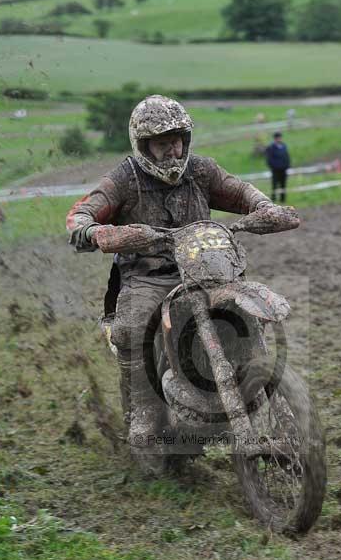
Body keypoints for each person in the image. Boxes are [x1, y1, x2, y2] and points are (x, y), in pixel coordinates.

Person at [67, 95, 299, 475]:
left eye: (177, 139)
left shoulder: (202, 170)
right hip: (150, 276)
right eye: (161, 142)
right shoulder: (124, 179)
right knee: (134, 324)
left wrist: (264, 206)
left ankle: (256, 382)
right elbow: (82, 213)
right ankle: (144, 415)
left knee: (245, 307)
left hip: (208, 268)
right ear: (142, 145)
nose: (172, 148)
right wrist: (93, 231)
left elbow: (239, 191)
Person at [265, 132, 290, 203]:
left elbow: (287, 156)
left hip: (283, 169)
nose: (279, 139)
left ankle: (283, 199)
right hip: (275, 170)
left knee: (283, 184)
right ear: (275, 138)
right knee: (274, 184)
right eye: (278, 137)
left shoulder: (284, 146)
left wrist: (287, 165)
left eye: (280, 137)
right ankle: (273, 198)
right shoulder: (271, 147)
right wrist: (274, 166)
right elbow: (269, 159)